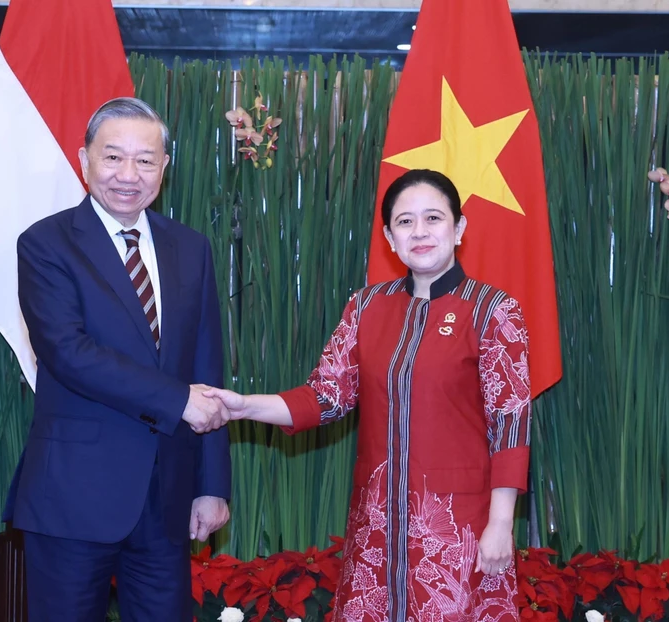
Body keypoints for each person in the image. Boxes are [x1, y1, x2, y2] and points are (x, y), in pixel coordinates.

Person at [206, 169, 531, 621]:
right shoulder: (367, 306)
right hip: (377, 526)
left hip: (459, 529)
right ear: (388, 237)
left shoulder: (494, 310)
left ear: (458, 229)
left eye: (434, 218)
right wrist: (244, 406)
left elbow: (510, 421)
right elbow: (325, 396)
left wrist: (500, 523)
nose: (420, 232)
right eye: (405, 222)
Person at [2, 97, 231, 621]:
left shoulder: (191, 248)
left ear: (164, 168)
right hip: (73, 496)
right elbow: (68, 352)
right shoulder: (46, 244)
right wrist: (177, 401)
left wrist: (211, 484)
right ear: (84, 160)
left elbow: (206, 367)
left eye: (145, 160)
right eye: (113, 157)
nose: (129, 174)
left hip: (167, 500)